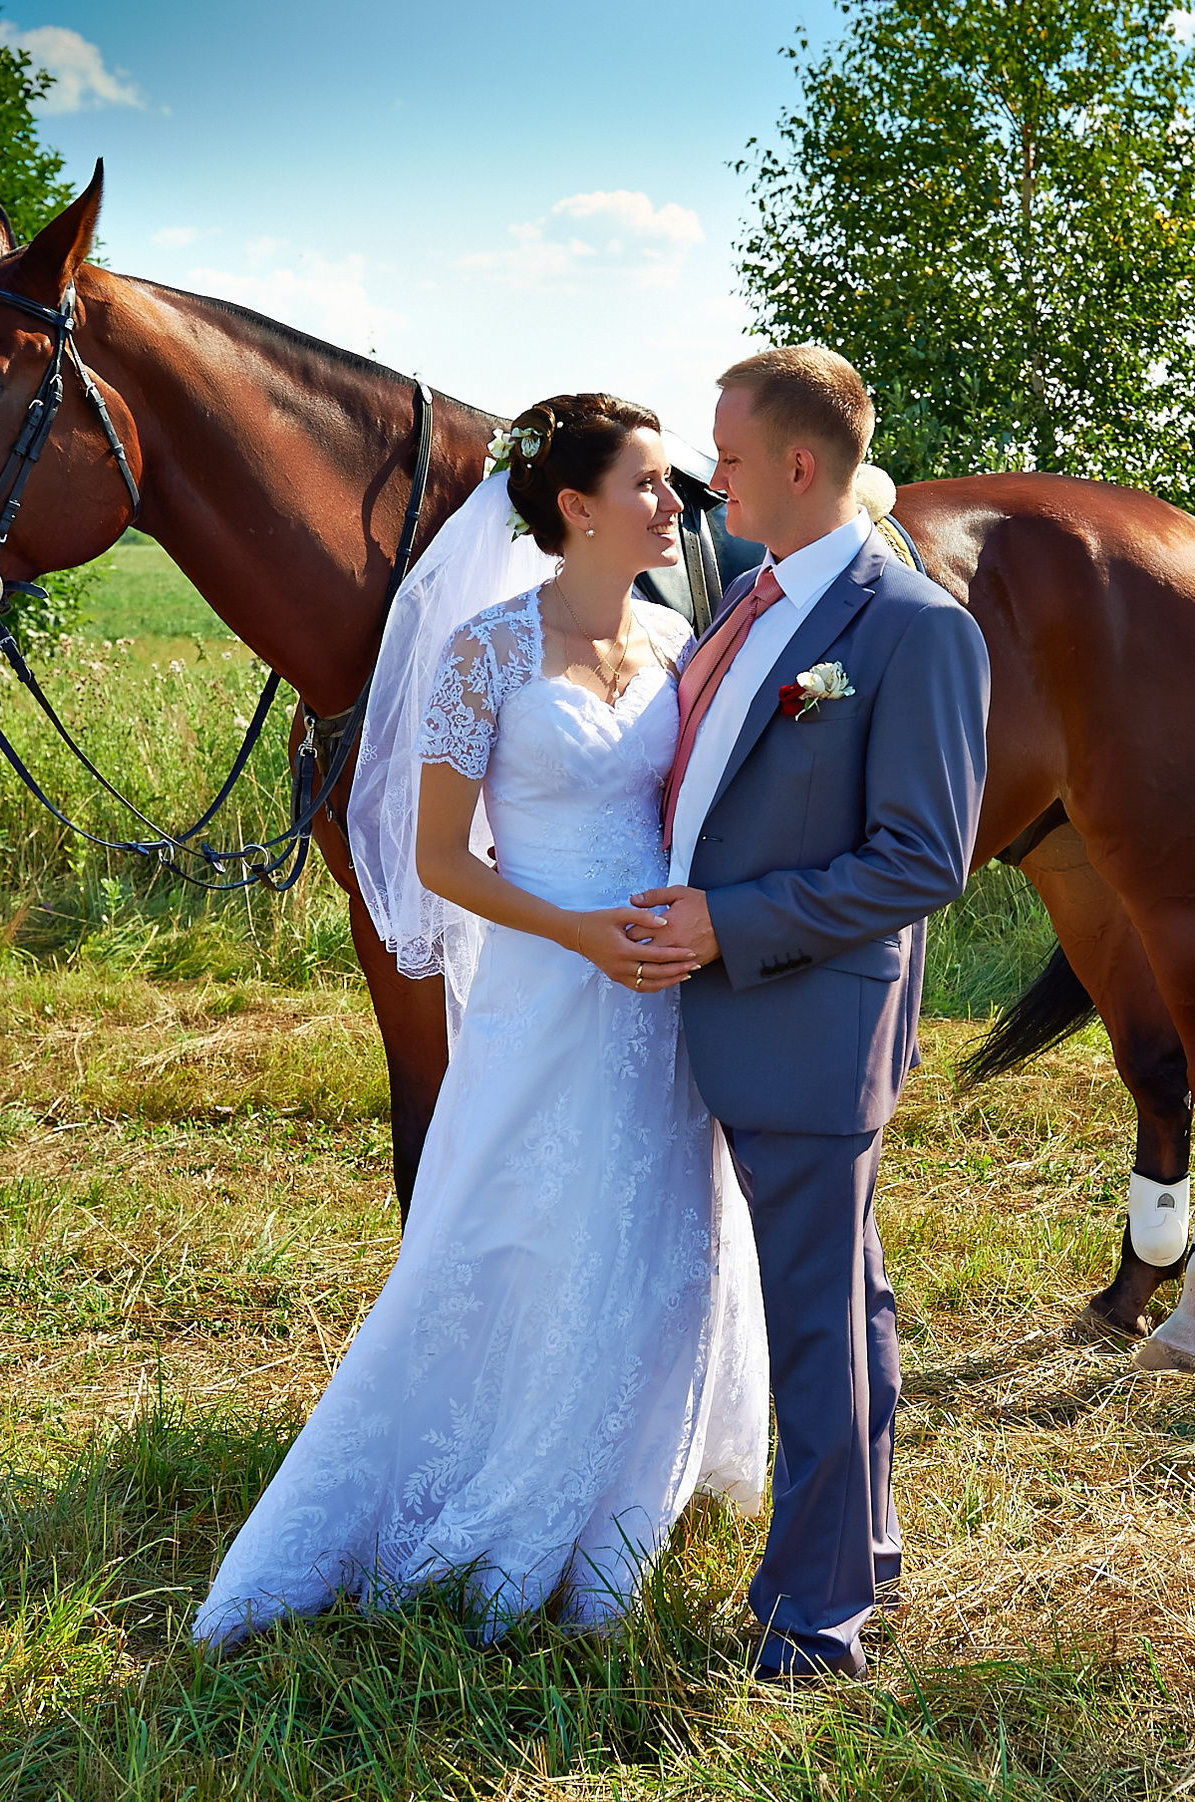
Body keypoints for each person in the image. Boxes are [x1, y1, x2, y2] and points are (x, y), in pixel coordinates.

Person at [191, 395, 769, 1651]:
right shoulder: (486, 653)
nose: (678, 506)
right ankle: (487, 1471)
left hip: (663, 991)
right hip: (546, 985)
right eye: (651, 485)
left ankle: (630, 1486)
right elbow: (437, 859)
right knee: (518, 1224)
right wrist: (577, 934)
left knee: (664, 1224)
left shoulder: (680, 644)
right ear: (574, 508)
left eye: (672, 484)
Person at [631, 347, 990, 1680]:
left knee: (816, 1321)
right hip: (731, 1014)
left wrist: (730, 922)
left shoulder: (911, 628)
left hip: (805, 1018)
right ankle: (866, 1545)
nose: (703, 478)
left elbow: (922, 859)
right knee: (847, 1294)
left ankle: (813, 1619)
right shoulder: (756, 601)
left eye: (722, 455)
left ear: (794, 465)